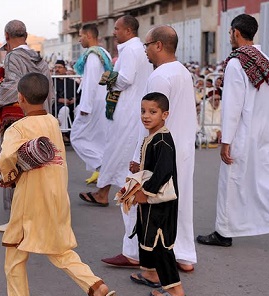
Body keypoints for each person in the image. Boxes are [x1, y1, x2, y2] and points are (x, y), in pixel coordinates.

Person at [0, 73, 116, 296]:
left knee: (15, 251)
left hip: (30, 197)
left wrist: (7, 175)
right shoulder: (52, 122)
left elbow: (6, 157)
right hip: (57, 194)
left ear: (20, 98)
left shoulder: (17, 128)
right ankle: (96, 287)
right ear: (47, 96)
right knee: (59, 250)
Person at [196, 14, 269, 256]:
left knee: (231, 181)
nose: (230, 36)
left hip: (242, 133)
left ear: (235, 33)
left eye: (230, 33)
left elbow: (232, 106)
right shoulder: (264, 59)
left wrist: (226, 141)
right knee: (266, 179)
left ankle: (223, 233)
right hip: (261, 132)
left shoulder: (236, 62)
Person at [79, 15, 153, 269]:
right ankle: (103, 192)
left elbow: (125, 79)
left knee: (122, 165)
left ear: (129, 30)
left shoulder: (132, 50)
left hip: (129, 115)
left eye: (118, 28)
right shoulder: (134, 49)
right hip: (128, 113)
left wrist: (109, 77)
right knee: (117, 160)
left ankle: (133, 250)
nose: (115, 32)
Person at [123, 25, 197, 273]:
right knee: (180, 202)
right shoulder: (183, 72)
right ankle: (184, 255)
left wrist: (138, 157)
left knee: (147, 203)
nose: (144, 51)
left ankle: (141, 256)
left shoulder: (159, 76)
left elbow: (150, 119)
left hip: (161, 150)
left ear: (158, 45)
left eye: (146, 45)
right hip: (183, 147)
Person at [0, 19, 54, 232]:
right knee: (38, 166)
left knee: (15, 166)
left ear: (7, 37)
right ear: (26, 36)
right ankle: (38, 216)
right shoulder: (39, 58)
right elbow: (50, 90)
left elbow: (12, 87)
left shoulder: (13, 56)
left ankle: (18, 221)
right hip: (42, 116)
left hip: (20, 120)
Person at [128, 92, 186, 296]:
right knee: (146, 235)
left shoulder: (163, 140)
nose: (146, 115)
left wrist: (145, 192)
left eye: (153, 112)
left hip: (160, 203)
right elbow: (153, 167)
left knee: (160, 241)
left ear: (165, 114)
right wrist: (139, 167)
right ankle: (151, 274)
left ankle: (175, 289)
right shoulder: (154, 136)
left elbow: (163, 172)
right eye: (143, 111)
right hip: (152, 202)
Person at [70, 23, 112, 184]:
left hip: (93, 103)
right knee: (97, 138)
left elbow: (91, 83)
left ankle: (102, 166)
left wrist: (85, 107)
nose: (79, 39)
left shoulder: (93, 56)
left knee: (76, 137)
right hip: (102, 101)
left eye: (80, 35)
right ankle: (100, 170)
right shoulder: (104, 53)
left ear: (88, 36)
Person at [52, 59, 80, 144]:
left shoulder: (71, 82)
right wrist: (59, 99)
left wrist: (75, 99)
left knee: (79, 109)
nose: (57, 69)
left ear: (65, 69)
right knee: (64, 109)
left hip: (72, 104)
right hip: (58, 105)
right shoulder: (52, 81)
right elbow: (49, 96)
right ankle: (63, 134)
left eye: (59, 67)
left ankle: (78, 133)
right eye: (56, 67)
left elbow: (80, 93)